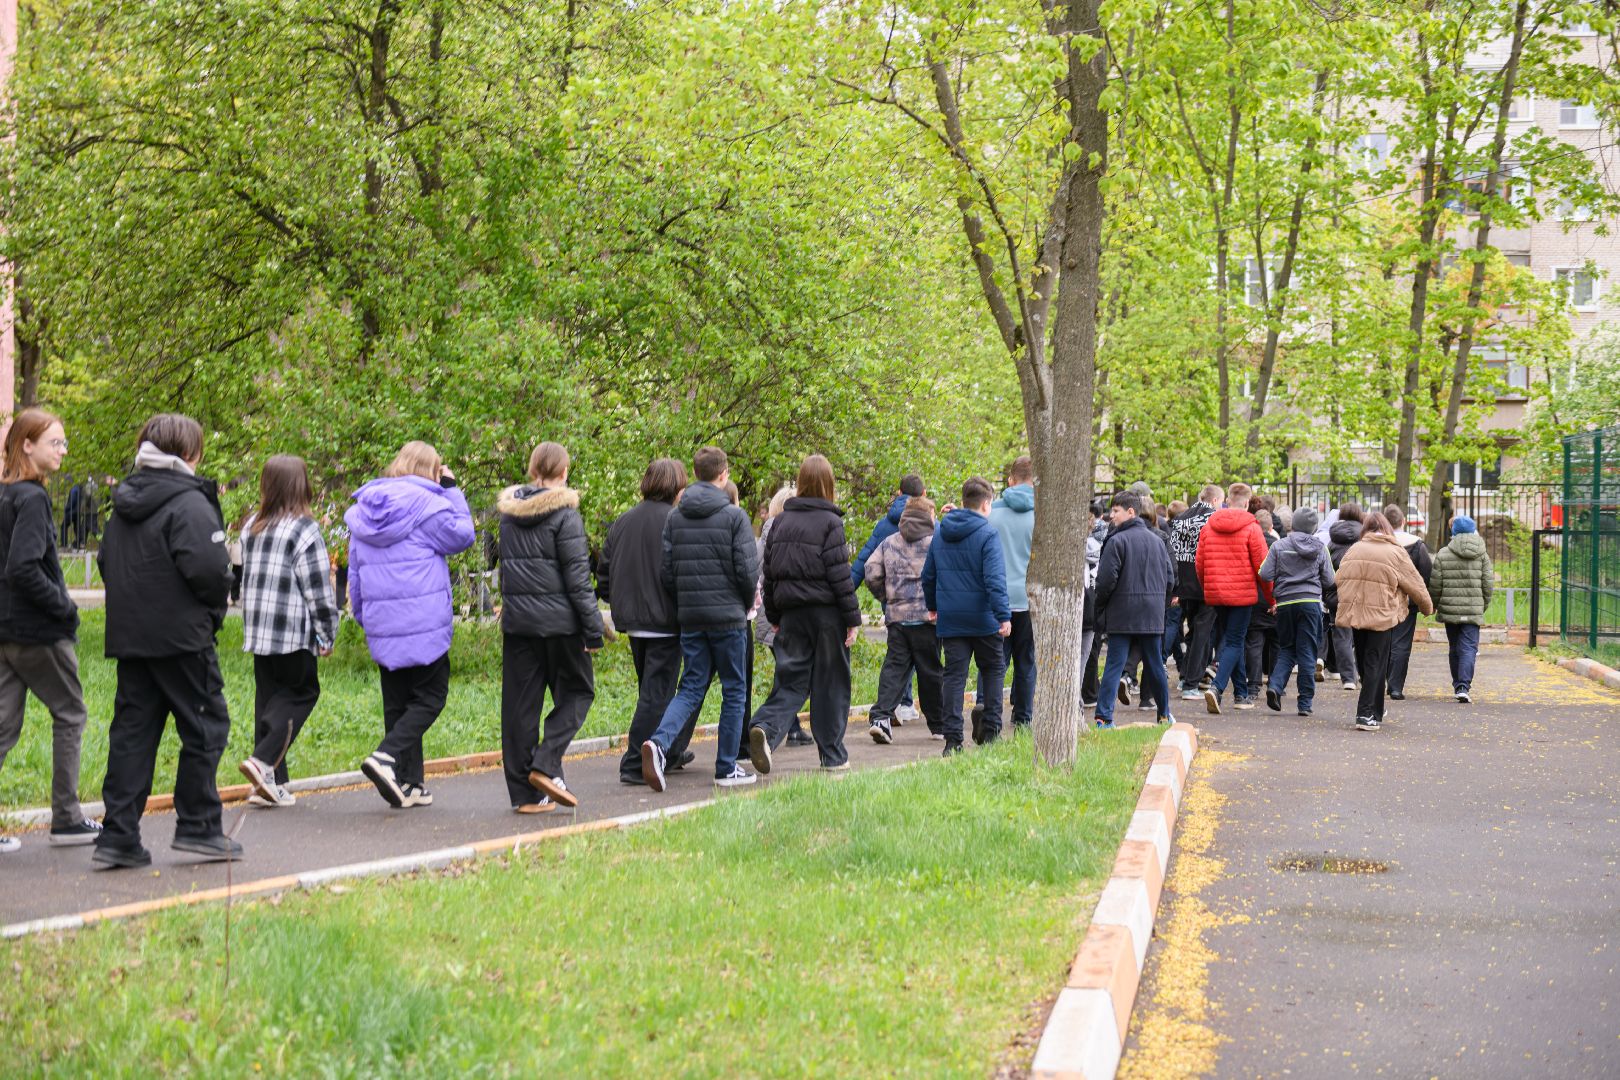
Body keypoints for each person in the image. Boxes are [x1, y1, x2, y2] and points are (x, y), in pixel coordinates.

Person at [92, 414, 237, 869]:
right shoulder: (190, 503)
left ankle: (118, 835)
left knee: (133, 734)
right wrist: (212, 614)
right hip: (182, 639)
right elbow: (212, 573)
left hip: (133, 637)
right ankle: (198, 826)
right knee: (205, 726)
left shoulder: (124, 502)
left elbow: (104, 561)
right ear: (189, 453)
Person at [350, 441, 476, 808]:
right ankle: (385, 757)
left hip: (382, 621)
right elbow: (463, 536)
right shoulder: (430, 506)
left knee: (398, 703)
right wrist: (452, 490)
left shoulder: (364, 510)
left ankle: (408, 783)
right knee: (431, 697)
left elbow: (355, 572)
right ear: (433, 470)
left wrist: (364, 616)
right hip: (423, 622)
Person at [0, 410, 99, 852]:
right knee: (71, 713)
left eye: (63, 443)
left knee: (3, 727)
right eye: (54, 443)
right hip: (38, 631)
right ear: (26, 445)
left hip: (4, 630)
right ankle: (66, 818)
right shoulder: (34, 499)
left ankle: (66, 817)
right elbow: (22, 569)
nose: (62, 451)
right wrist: (65, 607)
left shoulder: (4, 496)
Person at [496, 442, 606, 814]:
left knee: (518, 708)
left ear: (532, 471)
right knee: (578, 692)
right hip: (561, 626)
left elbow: (507, 571)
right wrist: (593, 630)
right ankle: (546, 763)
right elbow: (577, 580)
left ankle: (525, 796)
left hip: (519, 624)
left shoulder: (508, 515)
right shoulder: (565, 514)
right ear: (563, 474)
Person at [640, 447, 759, 791]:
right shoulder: (735, 517)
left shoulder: (675, 517)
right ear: (724, 475)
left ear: (695, 473)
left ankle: (659, 744)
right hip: (728, 618)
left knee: (691, 686)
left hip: (691, 617)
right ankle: (726, 768)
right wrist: (739, 603)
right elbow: (747, 572)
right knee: (735, 689)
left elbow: (667, 571)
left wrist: (687, 603)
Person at [746, 454, 861, 773]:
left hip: (792, 615)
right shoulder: (831, 522)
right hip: (826, 616)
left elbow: (769, 574)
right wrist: (852, 620)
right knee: (831, 684)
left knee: (791, 682)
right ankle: (833, 756)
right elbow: (839, 576)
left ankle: (765, 729)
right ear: (829, 484)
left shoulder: (779, 522)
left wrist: (777, 617)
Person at [237, 455, 340, 808]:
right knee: (301, 693)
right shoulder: (304, 529)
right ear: (302, 485)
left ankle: (270, 785)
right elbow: (318, 588)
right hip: (293, 631)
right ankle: (263, 761)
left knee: (268, 700)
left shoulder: (251, 525)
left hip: (259, 629)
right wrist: (327, 632)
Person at [598, 458, 693, 786]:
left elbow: (604, 572)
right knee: (656, 692)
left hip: (633, 619)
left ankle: (670, 750)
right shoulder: (677, 521)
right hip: (665, 619)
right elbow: (682, 571)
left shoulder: (623, 521)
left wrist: (619, 600)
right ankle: (635, 763)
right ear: (677, 487)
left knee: (653, 689)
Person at [921, 477, 1010, 755]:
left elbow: (928, 576)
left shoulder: (940, 533)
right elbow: (994, 580)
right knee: (993, 670)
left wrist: (933, 605)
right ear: (986, 504)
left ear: (963, 502)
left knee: (954, 677)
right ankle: (992, 731)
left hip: (952, 619)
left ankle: (953, 741)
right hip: (983, 619)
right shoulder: (988, 534)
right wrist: (1003, 615)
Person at [1335, 513, 1433, 731]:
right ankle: (1365, 714)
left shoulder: (1355, 549)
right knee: (1376, 664)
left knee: (1364, 662)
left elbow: (1340, 578)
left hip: (1357, 614)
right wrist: (1427, 607)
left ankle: (1375, 709)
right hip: (1382, 615)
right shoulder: (1395, 552)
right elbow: (1415, 583)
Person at [1093, 491, 1177, 728]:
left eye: (1116, 511)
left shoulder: (1116, 541)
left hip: (1122, 612)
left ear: (1131, 512)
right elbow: (1169, 579)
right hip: (1151, 613)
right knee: (1154, 664)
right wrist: (1159, 603)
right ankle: (1164, 713)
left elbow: (1105, 581)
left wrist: (1101, 605)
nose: (1111, 516)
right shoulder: (1158, 541)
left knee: (1115, 664)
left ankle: (1103, 717)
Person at [865, 496, 944, 742]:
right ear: (927, 516)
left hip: (897, 619)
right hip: (927, 618)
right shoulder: (935, 543)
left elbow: (871, 571)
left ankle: (881, 718)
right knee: (930, 672)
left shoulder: (889, 542)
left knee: (895, 667)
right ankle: (938, 724)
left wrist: (887, 597)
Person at [851, 474, 924, 723]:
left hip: (892, 598)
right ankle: (905, 703)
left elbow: (864, 561)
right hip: (921, 601)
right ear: (922, 495)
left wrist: (847, 590)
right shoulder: (928, 523)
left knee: (898, 650)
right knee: (919, 650)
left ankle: (900, 703)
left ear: (898, 491)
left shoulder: (884, 525)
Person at [1197, 483, 1271, 714]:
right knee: (1235, 641)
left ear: (1227, 500)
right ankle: (1217, 688)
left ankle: (1241, 693)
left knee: (1230, 640)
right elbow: (1263, 567)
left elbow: (1200, 564)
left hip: (1216, 593)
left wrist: (1208, 587)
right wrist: (1271, 597)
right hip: (1242, 595)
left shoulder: (1209, 526)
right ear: (1247, 503)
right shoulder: (1252, 528)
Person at [1259, 507, 1334, 716]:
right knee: (1307, 652)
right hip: (1310, 603)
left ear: (1294, 524)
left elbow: (1265, 573)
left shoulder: (1279, 545)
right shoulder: (1320, 547)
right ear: (1313, 527)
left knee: (1287, 648)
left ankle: (1275, 686)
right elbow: (1330, 580)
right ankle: (1305, 703)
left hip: (1284, 604)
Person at [753, 485, 812, 747]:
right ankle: (763, 725)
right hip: (783, 614)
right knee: (796, 677)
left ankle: (792, 727)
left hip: (768, 611)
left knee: (787, 674)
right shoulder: (790, 531)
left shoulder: (764, 534)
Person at [987, 457, 1036, 727]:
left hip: (997, 599)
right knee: (1026, 662)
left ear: (1010, 480)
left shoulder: (992, 514)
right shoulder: (1042, 515)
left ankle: (988, 712)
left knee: (995, 662)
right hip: (1029, 599)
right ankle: (1023, 719)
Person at [1428, 515, 1492, 704]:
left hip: (1450, 611)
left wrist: (1434, 604)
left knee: (1455, 647)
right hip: (1473, 611)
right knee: (1469, 648)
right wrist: (1482, 605)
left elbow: (1436, 585)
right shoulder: (1482, 554)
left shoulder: (1443, 554)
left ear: (1453, 532)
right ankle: (1464, 686)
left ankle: (1458, 684)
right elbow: (1488, 585)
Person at [1168, 485, 1223, 699]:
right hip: (1206, 581)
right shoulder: (1213, 519)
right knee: (1203, 632)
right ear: (1216, 500)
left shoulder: (1181, 518)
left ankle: (1185, 678)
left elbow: (1173, 550)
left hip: (1184, 583)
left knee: (1193, 630)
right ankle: (1192, 682)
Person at [1381, 504, 1433, 701]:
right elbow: (1426, 574)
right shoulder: (1417, 544)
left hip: (1383, 600)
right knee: (1401, 643)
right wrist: (1424, 600)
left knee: (1382, 640)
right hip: (1408, 601)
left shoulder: (1380, 543)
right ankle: (1395, 687)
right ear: (1403, 521)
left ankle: (1382, 679)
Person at [1242, 509, 1280, 707]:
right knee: (1276, 643)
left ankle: (1253, 685)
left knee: (1254, 643)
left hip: (1254, 598)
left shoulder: (1249, 543)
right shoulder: (1278, 545)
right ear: (1271, 527)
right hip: (1273, 597)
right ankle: (1275, 683)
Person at [1324, 503, 1364, 691]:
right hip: (1361, 593)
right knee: (1363, 634)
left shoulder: (1332, 541)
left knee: (1341, 636)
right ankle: (1363, 673)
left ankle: (1348, 678)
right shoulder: (1365, 539)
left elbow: (1325, 570)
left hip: (1337, 594)